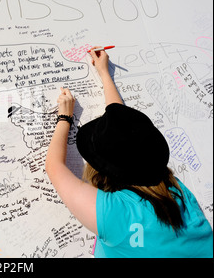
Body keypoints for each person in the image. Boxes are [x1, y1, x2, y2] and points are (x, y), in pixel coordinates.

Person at [45, 46, 213, 258]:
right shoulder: (179, 194)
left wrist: (65, 117)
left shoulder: (115, 214)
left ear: (105, 172)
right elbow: (126, 132)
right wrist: (105, 74)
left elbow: (54, 167)